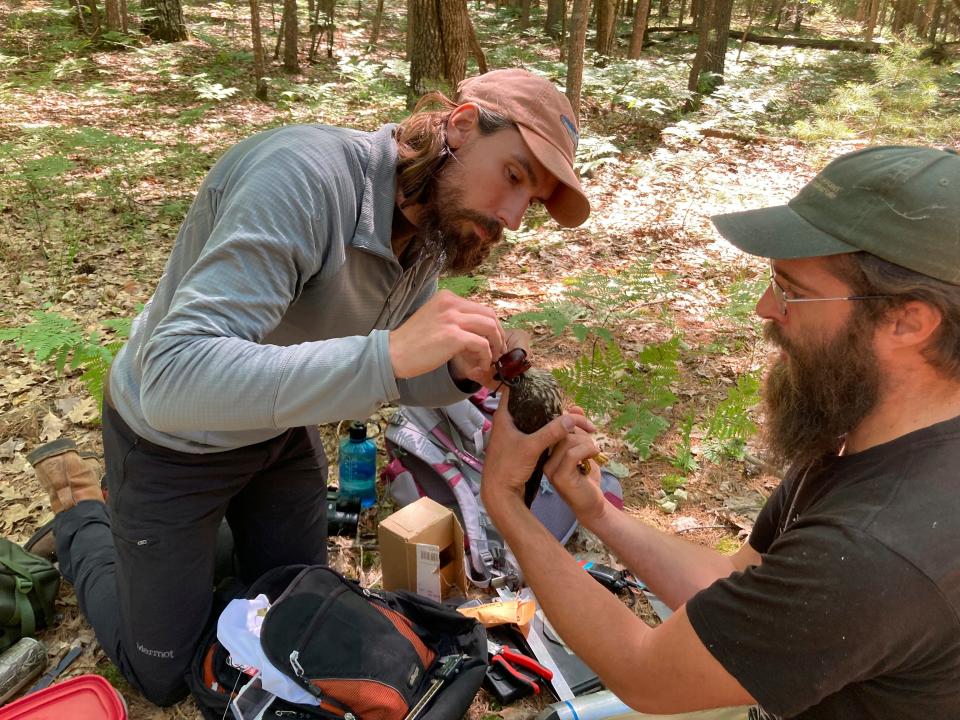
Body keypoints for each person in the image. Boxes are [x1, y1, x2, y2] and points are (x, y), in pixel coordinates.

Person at [25, 67, 590, 706]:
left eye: (533, 202)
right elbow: (170, 376)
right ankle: (83, 514)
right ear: (460, 125)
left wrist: (457, 372)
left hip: (278, 433)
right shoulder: (302, 178)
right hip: (170, 439)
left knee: (290, 612)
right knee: (161, 672)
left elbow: (397, 368)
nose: (513, 217)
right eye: (513, 175)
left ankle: (186, 539)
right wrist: (388, 355)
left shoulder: (430, 224)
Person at [481, 145, 960, 719]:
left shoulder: (875, 548)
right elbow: (738, 584)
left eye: (793, 291)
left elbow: (647, 672)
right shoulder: (866, 432)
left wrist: (507, 501)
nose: (764, 308)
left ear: (908, 320)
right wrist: (599, 515)